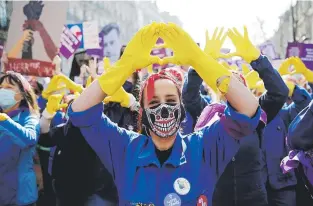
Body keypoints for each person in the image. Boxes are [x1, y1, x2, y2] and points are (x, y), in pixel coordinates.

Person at [69, 22, 260, 205]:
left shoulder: (203, 148)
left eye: (170, 101)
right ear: (142, 113)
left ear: (181, 108)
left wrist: (199, 59)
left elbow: (248, 109)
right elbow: (80, 111)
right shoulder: (124, 149)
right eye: (154, 102)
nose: (163, 109)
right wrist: (124, 66)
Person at [183, 27, 289, 206]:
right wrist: (201, 62)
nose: (233, 90)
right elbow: (189, 96)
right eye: (227, 83)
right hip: (216, 198)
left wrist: (258, 60)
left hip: (254, 199)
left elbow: (280, 92)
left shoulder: (257, 112)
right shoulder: (209, 113)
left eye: (238, 84)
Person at [0, 71, 40, 206]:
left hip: (19, 197)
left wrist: (4, 120)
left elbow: (29, 139)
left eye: (9, 88)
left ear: (22, 95)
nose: (3, 91)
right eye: (1, 87)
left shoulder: (29, 117)